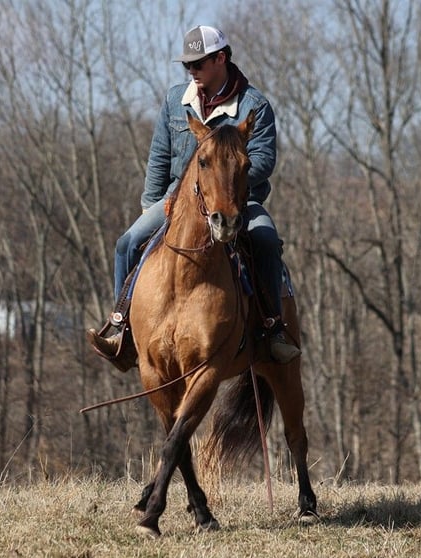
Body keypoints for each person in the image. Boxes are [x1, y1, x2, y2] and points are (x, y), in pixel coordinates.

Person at [88, 25, 300, 368]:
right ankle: (121, 328)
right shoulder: (175, 99)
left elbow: (263, 159)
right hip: (179, 200)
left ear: (220, 59)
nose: (192, 71)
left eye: (198, 64)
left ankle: (273, 329)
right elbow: (160, 155)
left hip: (238, 201)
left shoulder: (254, 105)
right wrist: (150, 203)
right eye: (188, 65)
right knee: (128, 242)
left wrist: (225, 181)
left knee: (265, 240)